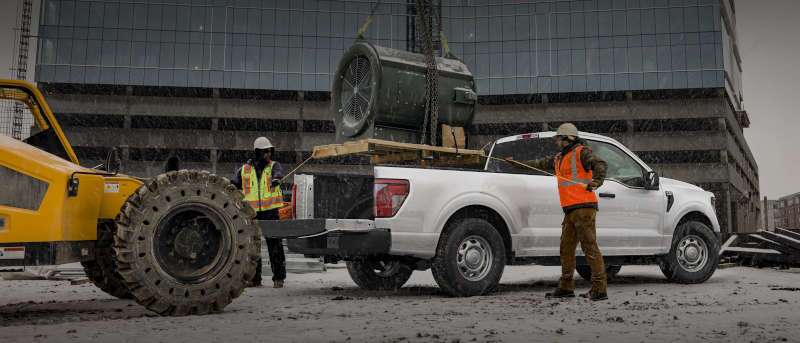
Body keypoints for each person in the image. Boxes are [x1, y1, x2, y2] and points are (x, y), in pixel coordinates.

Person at [507, 123, 609, 301]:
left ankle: (600, 289)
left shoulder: (581, 152)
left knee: (589, 248)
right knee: (566, 248)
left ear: (567, 138)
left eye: (558, 138)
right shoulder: (559, 158)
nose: (556, 141)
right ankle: (566, 287)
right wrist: (517, 164)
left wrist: (597, 181)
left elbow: (600, 163)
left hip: (584, 207)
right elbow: (538, 164)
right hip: (570, 210)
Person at [231, 136, 286, 288]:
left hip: (271, 211)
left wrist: (276, 180)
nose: (268, 155)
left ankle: (278, 278)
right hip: (252, 213)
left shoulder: (274, 166)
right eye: (265, 152)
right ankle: (255, 278)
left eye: (270, 151)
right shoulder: (244, 170)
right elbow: (232, 185)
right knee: (254, 247)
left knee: (275, 245)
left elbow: (278, 174)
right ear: (257, 152)